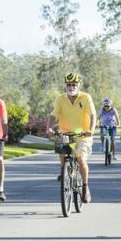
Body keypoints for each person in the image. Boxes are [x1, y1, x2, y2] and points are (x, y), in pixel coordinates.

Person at [47, 72, 96, 203]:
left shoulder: (86, 98)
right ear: (65, 85)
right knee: (61, 149)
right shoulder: (60, 98)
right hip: (65, 133)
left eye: (74, 84)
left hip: (82, 134)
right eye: (69, 85)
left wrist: (90, 130)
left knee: (80, 159)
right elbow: (53, 115)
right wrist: (49, 128)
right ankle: (64, 172)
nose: (71, 87)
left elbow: (92, 116)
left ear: (79, 85)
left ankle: (85, 187)